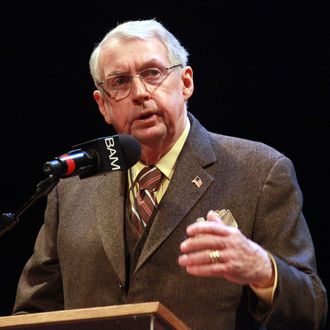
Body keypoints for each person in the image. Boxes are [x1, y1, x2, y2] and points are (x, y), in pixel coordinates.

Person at [12, 19, 327, 329]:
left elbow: (311, 309)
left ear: (186, 82)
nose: (140, 93)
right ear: (103, 105)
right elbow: (33, 310)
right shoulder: (72, 186)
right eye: (120, 82)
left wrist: (263, 270)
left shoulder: (260, 172)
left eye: (152, 73)